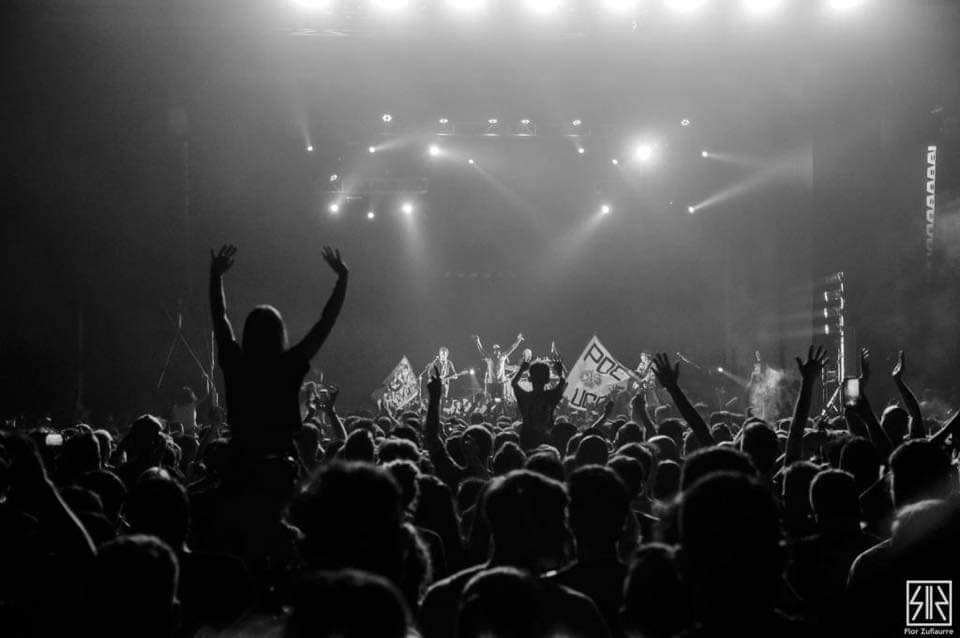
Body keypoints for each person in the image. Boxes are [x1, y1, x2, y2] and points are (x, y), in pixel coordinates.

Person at [208, 244, 348, 459]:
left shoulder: (235, 362)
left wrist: (216, 276)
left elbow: (219, 316)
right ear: (279, 333)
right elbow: (326, 322)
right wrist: (342, 277)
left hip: (240, 463)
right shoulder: (289, 365)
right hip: (280, 467)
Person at [511, 357, 566, 450]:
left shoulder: (525, 397)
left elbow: (514, 383)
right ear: (548, 379)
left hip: (527, 442)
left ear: (529, 378)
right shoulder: (551, 397)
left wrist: (522, 369)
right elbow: (562, 383)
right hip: (546, 441)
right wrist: (559, 372)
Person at [474, 333, 523, 401]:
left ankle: (501, 407)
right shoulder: (490, 357)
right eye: (495, 350)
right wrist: (478, 341)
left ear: (499, 350)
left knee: (501, 400)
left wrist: (518, 340)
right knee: (492, 400)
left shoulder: (503, 356)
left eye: (497, 349)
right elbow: (481, 350)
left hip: (501, 382)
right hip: (492, 383)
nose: (496, 351)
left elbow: (512, 348)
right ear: (493, 351)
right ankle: (493, 408)